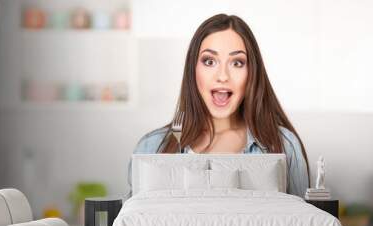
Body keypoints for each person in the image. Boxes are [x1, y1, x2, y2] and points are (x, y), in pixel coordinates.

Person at [127, 14, 309, 198]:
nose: (223, 76)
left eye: (237, 63)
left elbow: (304, 223)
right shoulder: (151, 147)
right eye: (209, 61)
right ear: (193, 69)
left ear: (252, 72)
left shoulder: (285, 145)